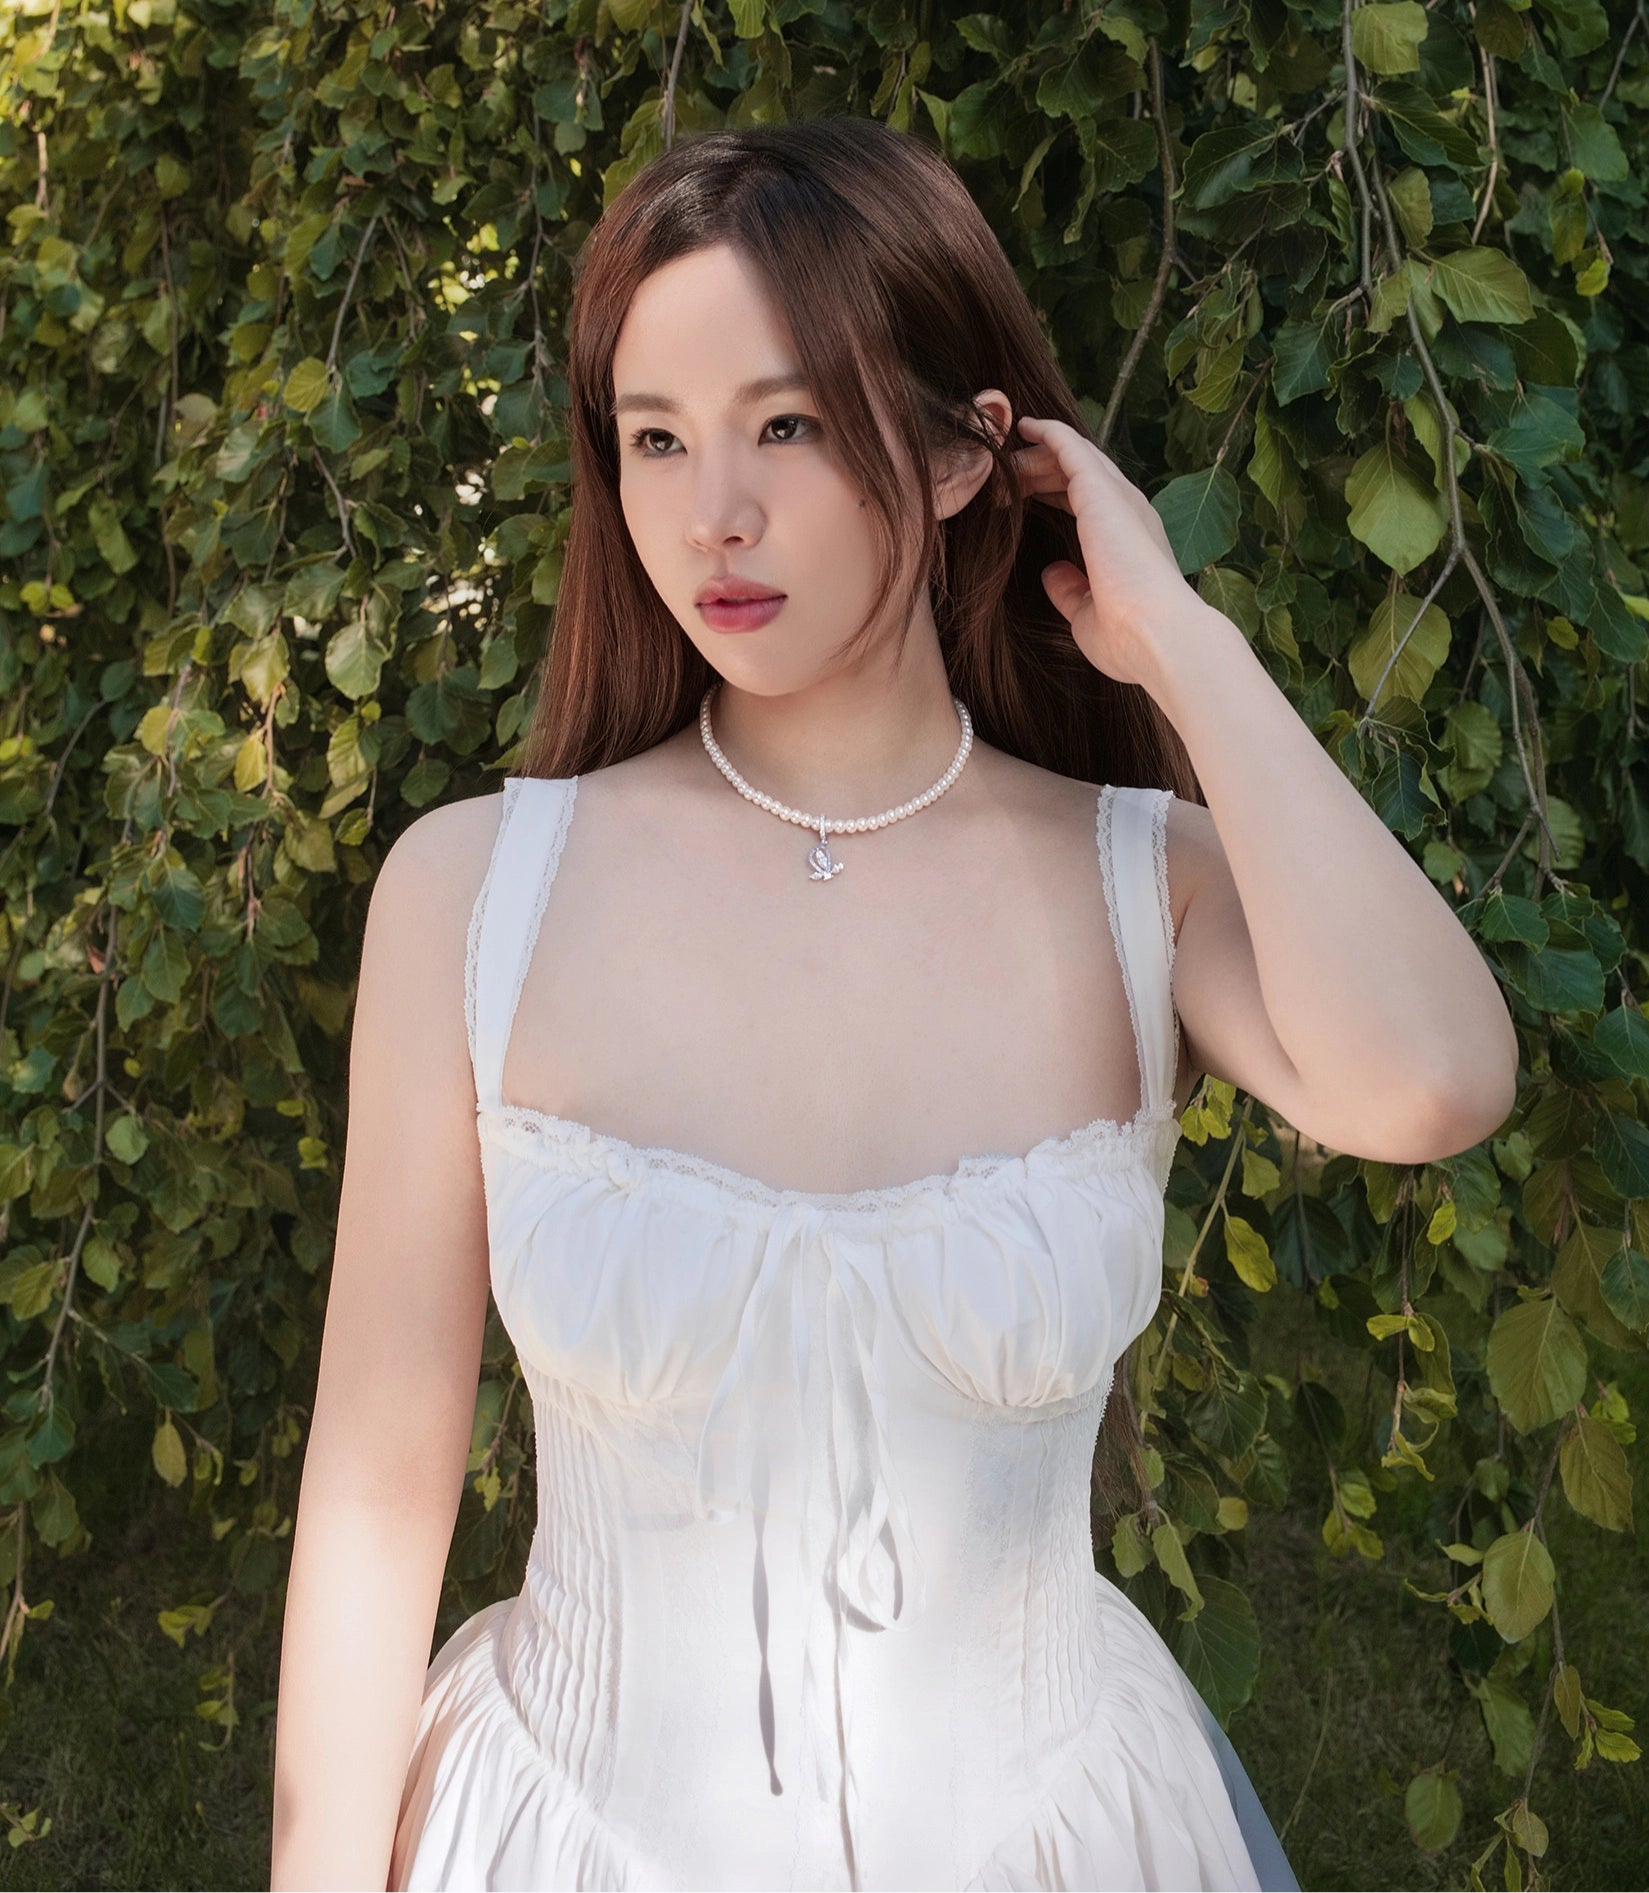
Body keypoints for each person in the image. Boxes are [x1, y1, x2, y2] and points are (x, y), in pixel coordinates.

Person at [270, 116, 1519, 1892]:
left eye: (784, 424)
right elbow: (376, 1494)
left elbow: (1438, 1079)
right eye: (655, 439)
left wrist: (1180, 643)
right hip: (563, 1834)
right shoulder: (476, 887)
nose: (713, 512)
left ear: (956, 453)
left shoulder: (1136, 877)